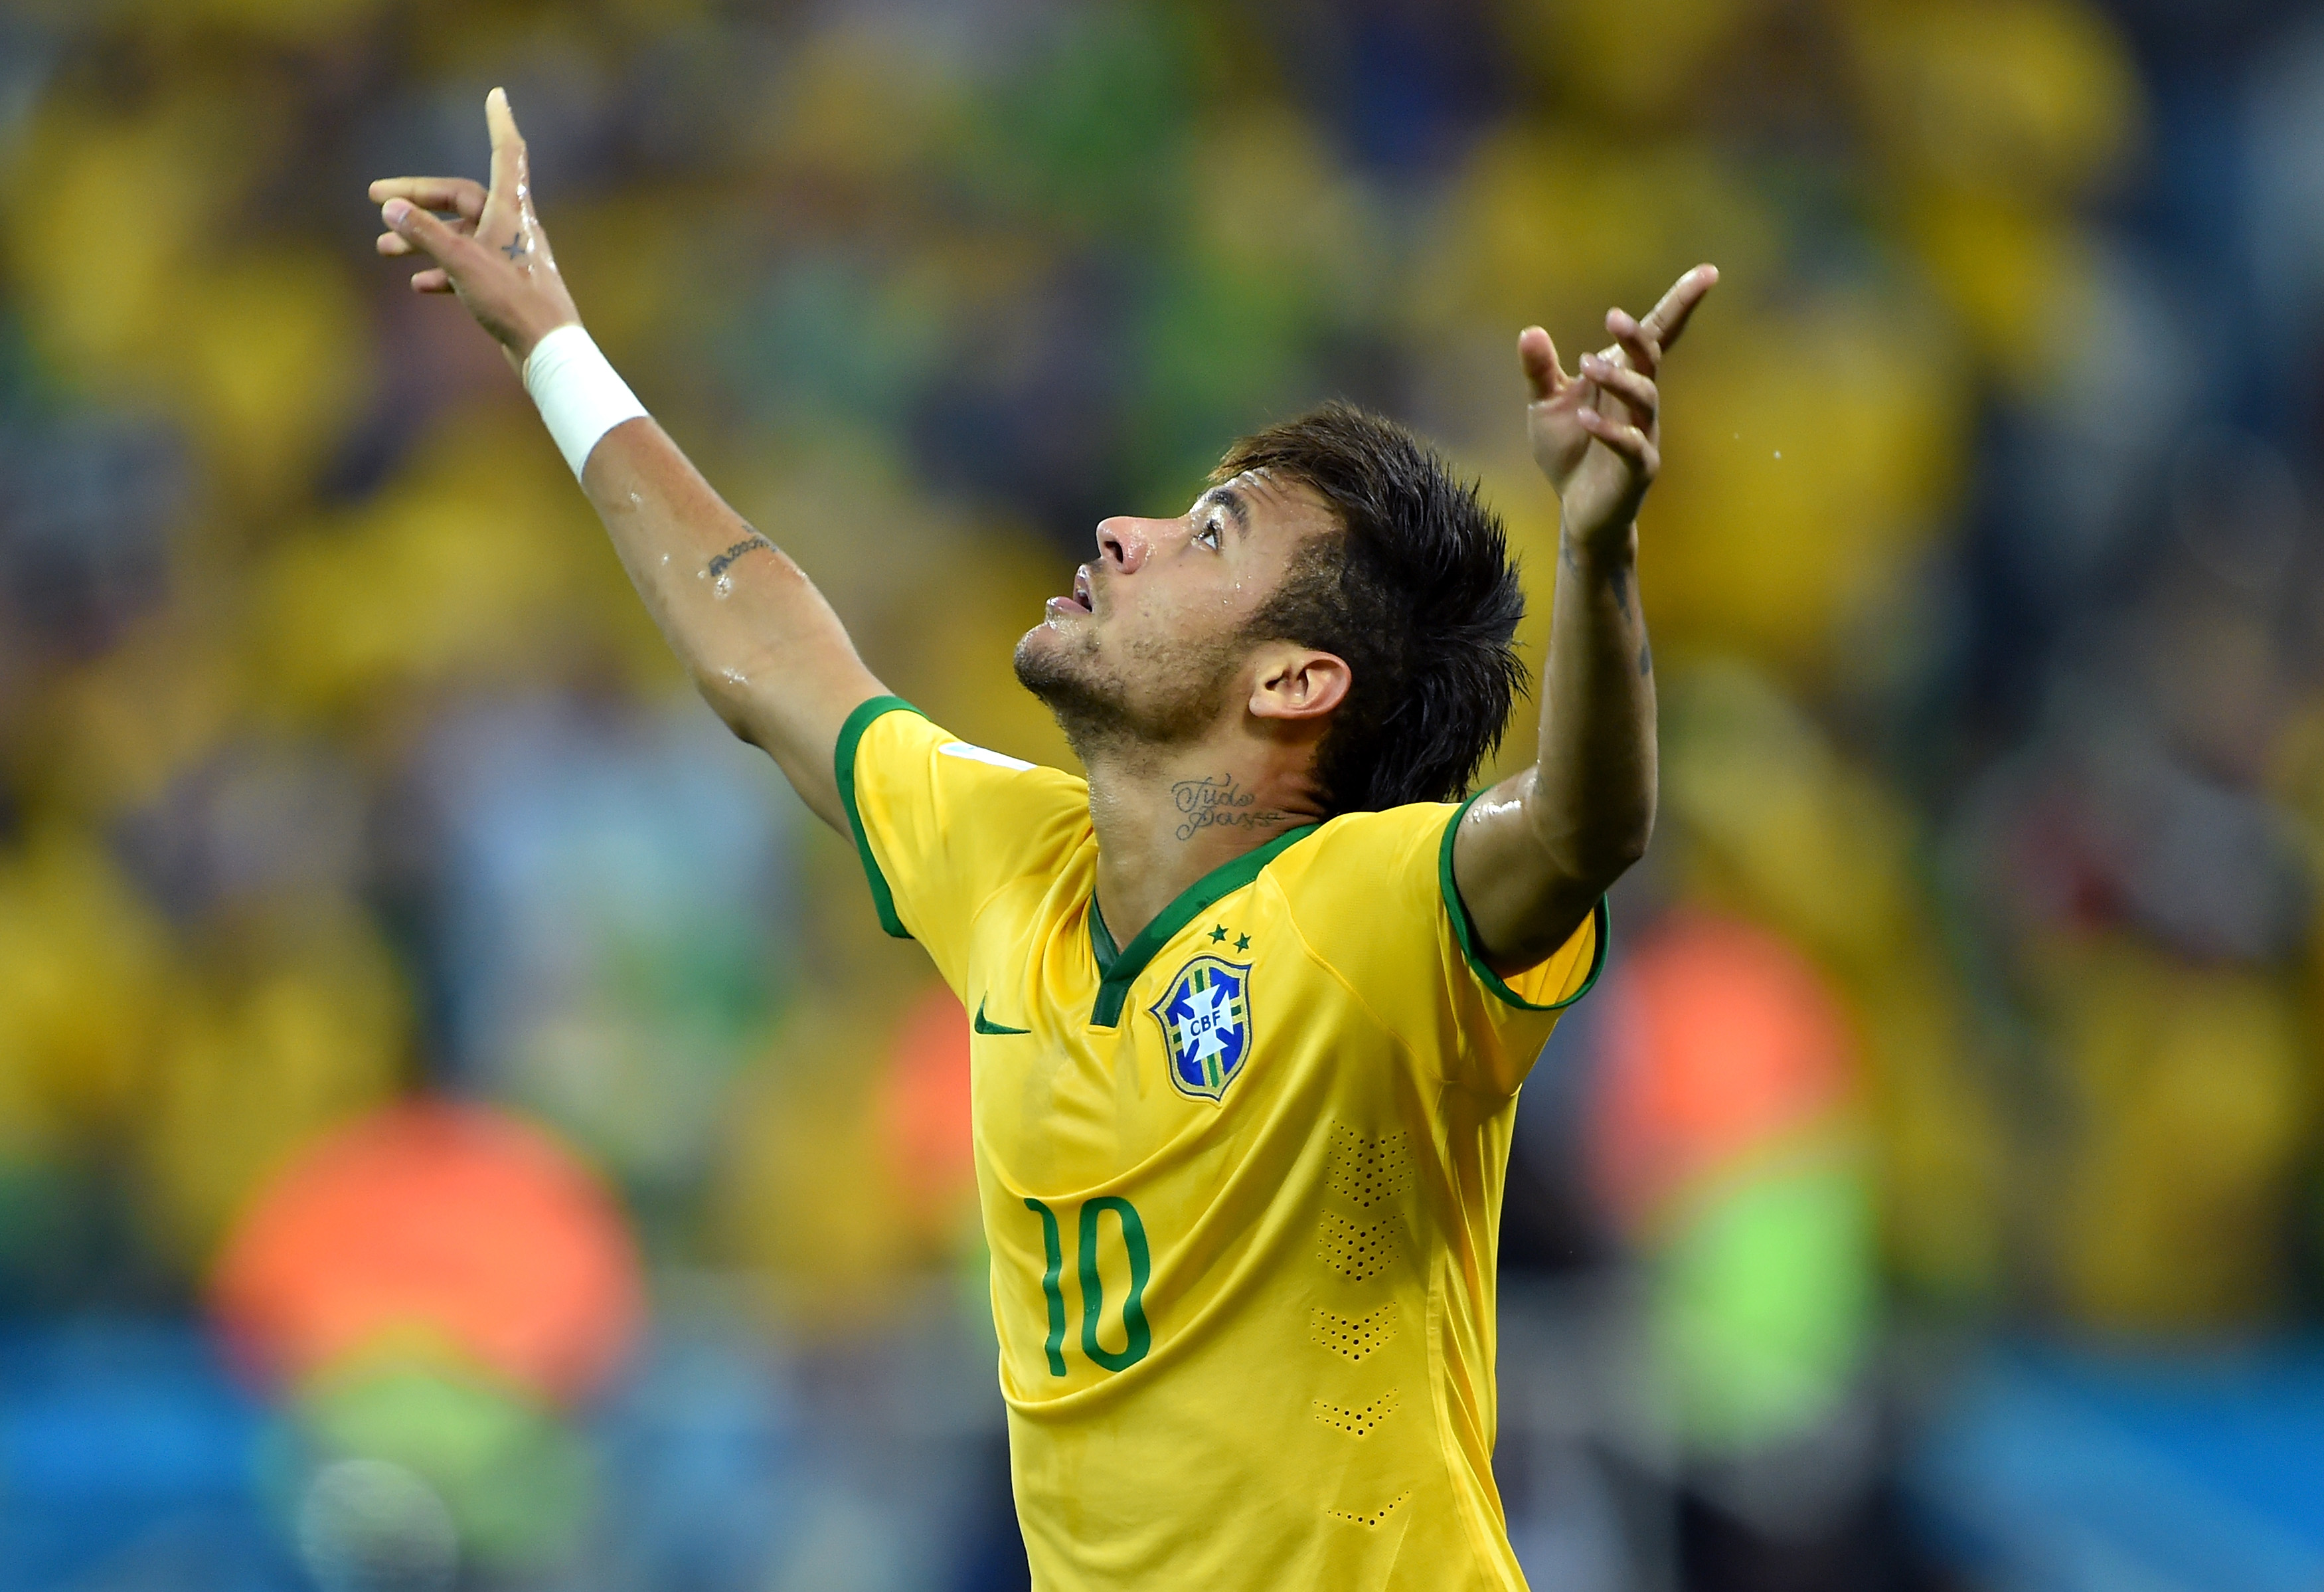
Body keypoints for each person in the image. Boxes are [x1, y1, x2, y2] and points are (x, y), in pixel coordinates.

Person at [370, 88, 1714, 1592]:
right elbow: (768, 655)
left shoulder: (1376, 914)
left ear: (1295, 681)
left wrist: (1596, 556)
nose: (1126, 535)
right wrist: (548, 339)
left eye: (1212, 533)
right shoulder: (1012, 862)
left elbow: (1587, 824)